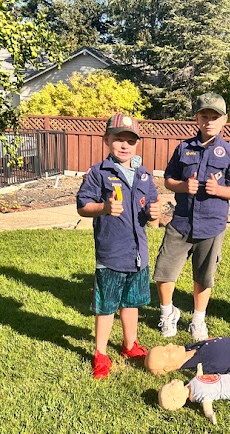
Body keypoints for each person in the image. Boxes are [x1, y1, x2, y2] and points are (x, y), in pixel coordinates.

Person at [153, 92, 230, 342]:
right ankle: (168, 313)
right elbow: (168, 180)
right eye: (204, 116)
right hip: (181, 222)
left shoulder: (229, 153)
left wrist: (219, 190)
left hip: (211, 225)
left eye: (215, 117)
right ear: (197, 118)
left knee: (204, 276)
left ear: (224, 120)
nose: (209, 121)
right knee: (164, 270)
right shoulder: (183, 148)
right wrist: (183, 186)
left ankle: (198, 319)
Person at [76, 114, 161, 378]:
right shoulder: (98, 173)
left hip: (138, 254)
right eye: (118, 139)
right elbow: (83, 206)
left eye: (130, 141)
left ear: (137, 144)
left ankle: (129, 345)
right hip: (111, 253)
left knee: (131, 302)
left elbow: (152, 214)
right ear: (106, 140)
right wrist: (104, 207)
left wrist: (155, 214)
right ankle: (100, 353)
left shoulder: (144, 175)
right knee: (106, 306)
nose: (124, 145)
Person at [158, 363, 230, 425]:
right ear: (177, 397)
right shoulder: (199, 395)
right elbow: (207, 406)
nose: (173, 381)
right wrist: (210, 415)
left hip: (228, 378)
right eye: (172, 385)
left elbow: (199, 378)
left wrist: (199, 370)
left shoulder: (190, 385)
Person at [145, 337, 230, 375]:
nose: (170, 345)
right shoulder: (205, 365)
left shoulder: (189, 348)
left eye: (165, 346)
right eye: (167, 352)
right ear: (168, 367)